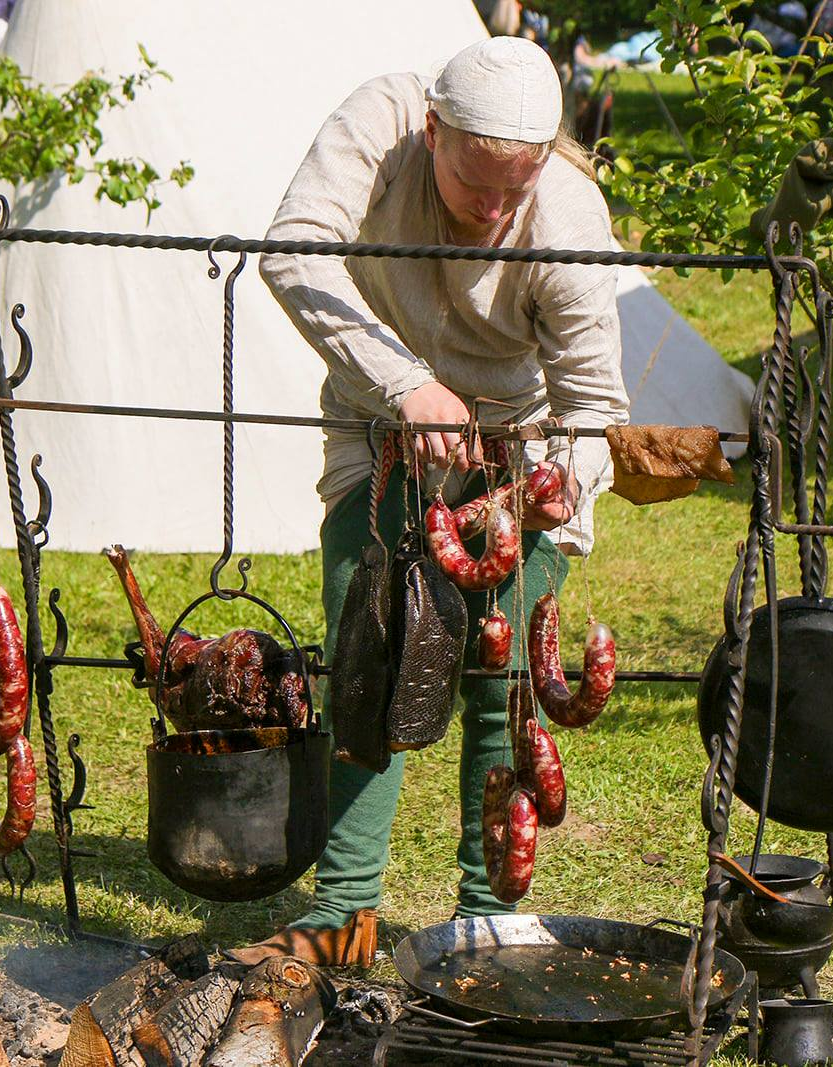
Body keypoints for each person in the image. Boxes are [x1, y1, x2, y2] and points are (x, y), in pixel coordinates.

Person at [235, 37, 630, 967]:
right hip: (377, 435)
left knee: (504, 688)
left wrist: (545, 495)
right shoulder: (380, 125)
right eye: (474, 183)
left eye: (515, 187)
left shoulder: (567, 215)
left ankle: (486, 915)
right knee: (366, 661)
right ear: (432, 130)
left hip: (515, 459)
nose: (495, 210)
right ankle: (345, 911)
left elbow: (594, 408)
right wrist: (404, 385)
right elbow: (293, 252)